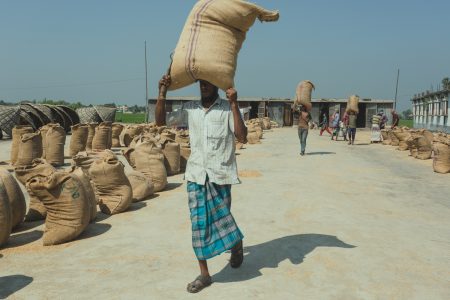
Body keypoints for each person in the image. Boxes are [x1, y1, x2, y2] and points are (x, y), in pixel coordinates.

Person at [156, 75, 247, 293]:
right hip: (196, 175)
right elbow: (160, 122)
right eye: (201, 82)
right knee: (198, 226)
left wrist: (234, 104)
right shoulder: (190, 109)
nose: (204, 85)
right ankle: (205, 274)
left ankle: (235, 243)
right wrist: (162, 93)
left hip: (220, 175)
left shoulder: (226, 109)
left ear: (216, 83)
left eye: (208, 81)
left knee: (223, 220)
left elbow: (242, 136)